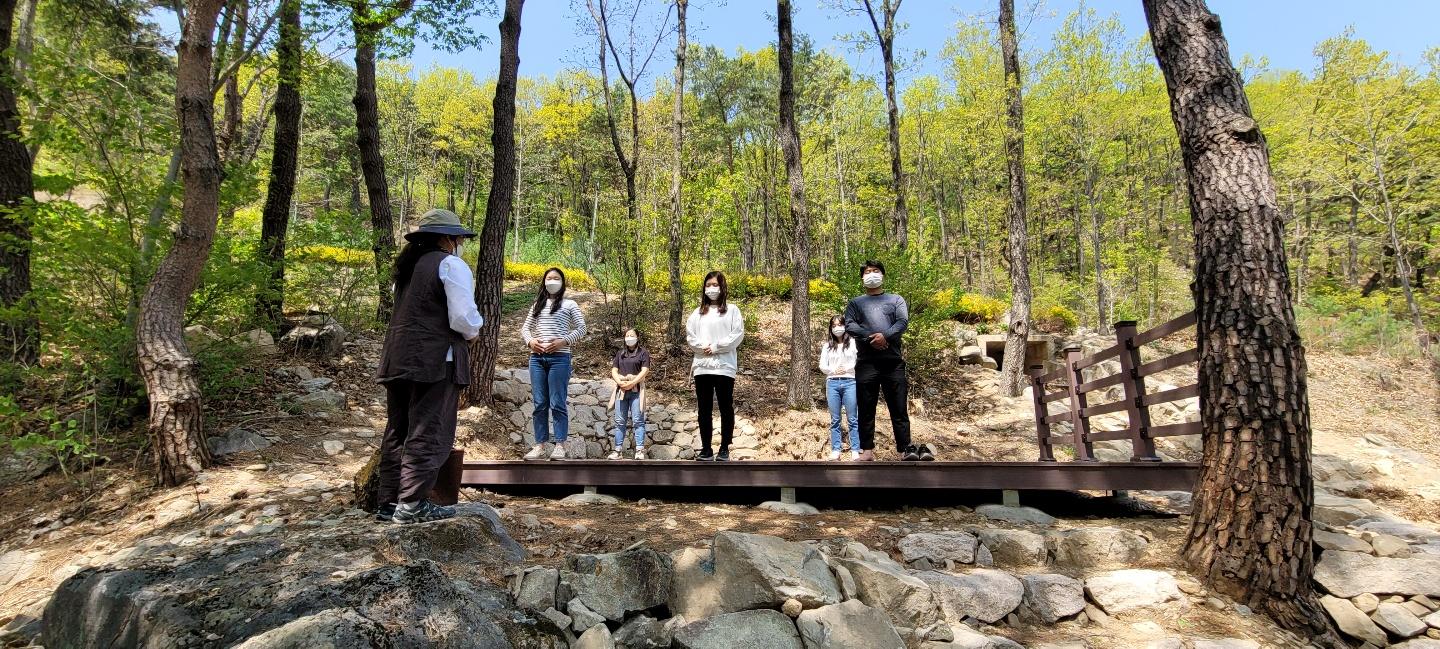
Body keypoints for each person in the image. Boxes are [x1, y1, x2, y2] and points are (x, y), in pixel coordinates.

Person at [376, 208, 482, 524]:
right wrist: (475, 330)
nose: (460, 243)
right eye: (459, 238)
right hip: (435, 359)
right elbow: (463, 318)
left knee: (399, 430)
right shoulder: (451, 265)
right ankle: (412, 504)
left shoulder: (406, 271)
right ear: (447, 238)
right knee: (428, 428)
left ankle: (389, 502)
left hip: (398, 358)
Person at [844, 260, 933, 462]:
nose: (872, 274)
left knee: (899, 408)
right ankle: (866, 451)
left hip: (893, 362)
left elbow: (902, 322)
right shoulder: (855, 303)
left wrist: (885, 336)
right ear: (862, 278)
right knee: (866, 408)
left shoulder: (896, 300)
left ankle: (904, 450)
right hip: (866, 363)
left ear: (883, 275)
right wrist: (871, 337)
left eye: (875, 271)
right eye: (868, 272)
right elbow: (849, 324)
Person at [521, 267, 587, 460]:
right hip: (537, 359)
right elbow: (525, 329)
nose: (552, 281)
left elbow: (582, 328)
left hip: (560, 358)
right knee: (540, 402)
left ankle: (560, 444)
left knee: (557, 402)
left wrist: (563, 341)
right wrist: (531, 342)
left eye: (556, 278)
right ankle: (539, 445)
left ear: (562, 281)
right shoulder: (537, 305)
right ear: (544, 282)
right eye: (549, 278)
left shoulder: (570, 304)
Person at [686, 271, 745, 461]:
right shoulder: (697, 313)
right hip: (702, 366)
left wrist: (716, 347)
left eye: (715, 284)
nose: (711, 288)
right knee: (704, 408)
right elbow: (690, 337)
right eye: (708, 285)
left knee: (725, 406)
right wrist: (703, 348)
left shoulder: (732, 310)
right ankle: (706, 449)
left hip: (724, 366)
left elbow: (737, 335)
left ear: (722, 287)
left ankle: (725, 448)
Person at [819, 314, 860, 461]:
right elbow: (822, 365)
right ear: (830, 328)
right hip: (832, 383)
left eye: (839, 325)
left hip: (850, 382)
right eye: (834, 325)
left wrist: (847, 368)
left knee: (853, 418)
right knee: (835, 419)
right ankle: (836, 450)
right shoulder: (827, 346)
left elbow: (858, 361)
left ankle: (855, 449)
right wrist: (832, 371)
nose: (837, 328)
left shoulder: (853, 342)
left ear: (845, 326)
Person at [608, 328, 651, 460]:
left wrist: (633, 382)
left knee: (638, 420)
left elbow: (645, 370)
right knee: (620, 421)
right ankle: (618, 450)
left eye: (632, 335)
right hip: (621, 390)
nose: (629, 337)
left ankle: (639, 450)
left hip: (637, 390)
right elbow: (614, 370)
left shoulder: (643, 353)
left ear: (638, 337)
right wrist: (620, 382)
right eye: (627, 335)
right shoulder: (620, 353)